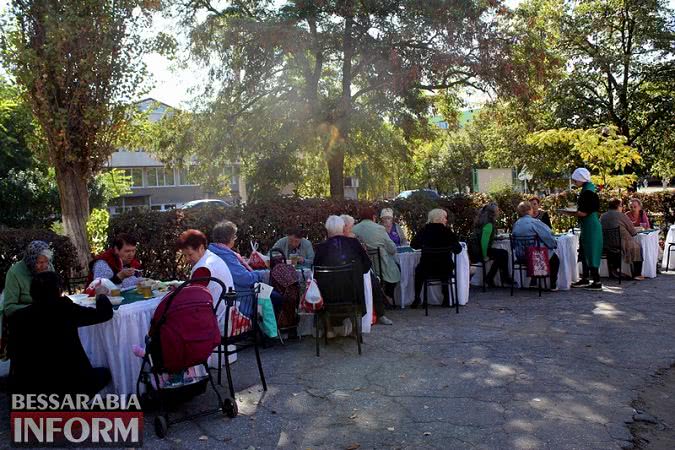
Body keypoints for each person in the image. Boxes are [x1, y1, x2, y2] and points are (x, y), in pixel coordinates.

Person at [8, 271, 113, 396]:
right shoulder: (64, 308)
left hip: (29, 387)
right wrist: (100, 295)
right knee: (105, 373)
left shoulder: (18, 317)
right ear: (58, 289)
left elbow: (13, 354)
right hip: (70, 384)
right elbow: (105, 314)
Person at [314, 216, 393, 326]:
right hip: (353, 296)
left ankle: (330, 327)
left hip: (328, 298)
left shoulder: (321, 248)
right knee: (370, 280)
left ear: (327, 230)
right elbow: (366, 266)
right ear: (342, 228)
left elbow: (315, 274)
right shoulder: (353, 243)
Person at [1, 241, 54, 350]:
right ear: (31, 260)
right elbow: (9, 308)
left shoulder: (49, 267)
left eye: (46, 262)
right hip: (25, 327)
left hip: (48, 322)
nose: (44, 266)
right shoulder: (15, 273)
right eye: (39, 262)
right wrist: (34, 309)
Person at [177, 229, 234, 328]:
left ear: (201, 248)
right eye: (184, 255)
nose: (187, 259)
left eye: (190, 254)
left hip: (217, 320)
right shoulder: (212, 258)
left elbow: (192, 298)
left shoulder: (203, 268)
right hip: (227, 314)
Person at [410, 208, 462, 308]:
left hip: (427, 268)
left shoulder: (424, 230)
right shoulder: (447, 232)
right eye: (445, 218)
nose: (446, 220)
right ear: (440, 219)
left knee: (418, 271)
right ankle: (446, 298)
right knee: (445, 269)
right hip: (445, 268)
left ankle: (417, 297)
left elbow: (413, 245)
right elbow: (458, 250)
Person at [564, 168, 603, 290]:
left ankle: (596, 282)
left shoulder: (588, 193)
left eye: (575, 180)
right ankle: (586, 278)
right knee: (585, 250)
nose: (574, 182)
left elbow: (584, 212)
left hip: (591, 226)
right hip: (589, 225)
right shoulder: (588, 190)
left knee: (591, 252)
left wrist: (568, 213)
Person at [353, 206, 401, 300]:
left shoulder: (354, 229)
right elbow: (392, 248)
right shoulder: (379, 228)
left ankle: (376, 296)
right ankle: (387, 295)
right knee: (398, 268)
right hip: (381, 266)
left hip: (362, 267)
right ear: (373, 217)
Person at [512, 201, 561, 290]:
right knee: (555, 259)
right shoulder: (535, 222)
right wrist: (553, 245)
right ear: (529, 210)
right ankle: (552, 284)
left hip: (520, 256)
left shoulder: (516, 224)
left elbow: (513, 243)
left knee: (538, 251)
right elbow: (548, 236)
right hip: (534, 256)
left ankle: (533, 281)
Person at [208, 221, 265, 293]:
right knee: (276, 298)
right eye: (234, 236)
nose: (235, 239)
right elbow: (245, 279)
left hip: (227, 293)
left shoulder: (214, 250)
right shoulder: (226, 256)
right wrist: (262, 274)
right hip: (238, 297)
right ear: (229, 238)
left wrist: (243, 262)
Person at [469, 203, 512, 287]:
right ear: (493, 213)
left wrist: (495, 238)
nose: (499, 212)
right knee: (503, 253)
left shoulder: (481, 221)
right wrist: (485, 256)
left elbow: (482, 236)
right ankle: (503, 277)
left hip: (473, 249)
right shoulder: (489, 224)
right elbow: (484, 242)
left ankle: (491, 278)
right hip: (478, 252)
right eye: (497, 211)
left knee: (501, 255)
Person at [601, 198, 644, 280]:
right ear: (617, 206)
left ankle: (614, 270)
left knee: (620, 248)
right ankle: (637, 274)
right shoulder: (621, 215)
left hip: (607, 244)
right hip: (623, 242)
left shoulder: (603, 216)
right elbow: (633, 232)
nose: (622, 208)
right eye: (621, 206)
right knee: (638, 248)